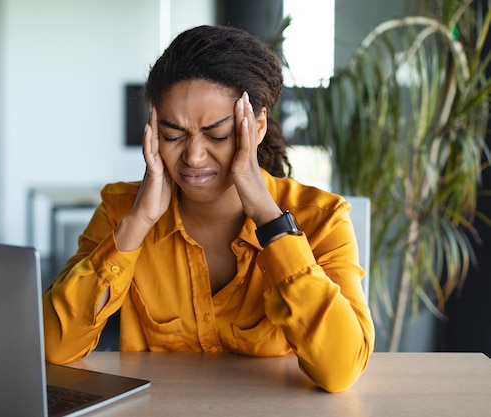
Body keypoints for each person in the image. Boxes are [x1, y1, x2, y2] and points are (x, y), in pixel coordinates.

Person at [42, 24, 375, 393]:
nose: (193, 157)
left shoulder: (323, 219)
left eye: (217, 135)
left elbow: (340, 369)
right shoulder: (122, 211)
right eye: (173, 135)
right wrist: (140, 221)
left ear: (257, 125)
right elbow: (56, 346)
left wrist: (269, 219)